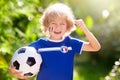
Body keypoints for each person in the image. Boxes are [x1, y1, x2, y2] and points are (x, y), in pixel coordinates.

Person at [8, 3, 101, 80]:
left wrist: (85, 29)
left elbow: (96, 47)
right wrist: (12, 71)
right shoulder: (38, 45)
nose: (57, 27)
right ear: (46, 25)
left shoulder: (71, 43)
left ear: (67, 26)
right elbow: (19, 58)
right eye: (53, 23)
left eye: (62, 24)